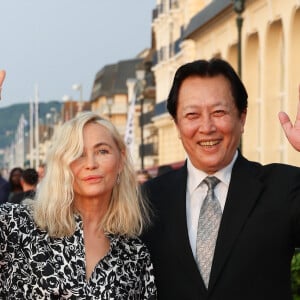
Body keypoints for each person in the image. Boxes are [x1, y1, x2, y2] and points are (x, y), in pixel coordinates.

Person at [141, 58, 300, 300]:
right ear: (177, 124)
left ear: (242, 118)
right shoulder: (147, 199)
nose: (207, 127)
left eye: (219, 112)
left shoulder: (283, 187)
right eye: (192, 114)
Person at [0, 111, 156, 299]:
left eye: (102, 151)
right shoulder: (17, 224)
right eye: (78, 153)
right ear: (62, 164)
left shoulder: (134, 253)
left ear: (121, 159)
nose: (90, 164)